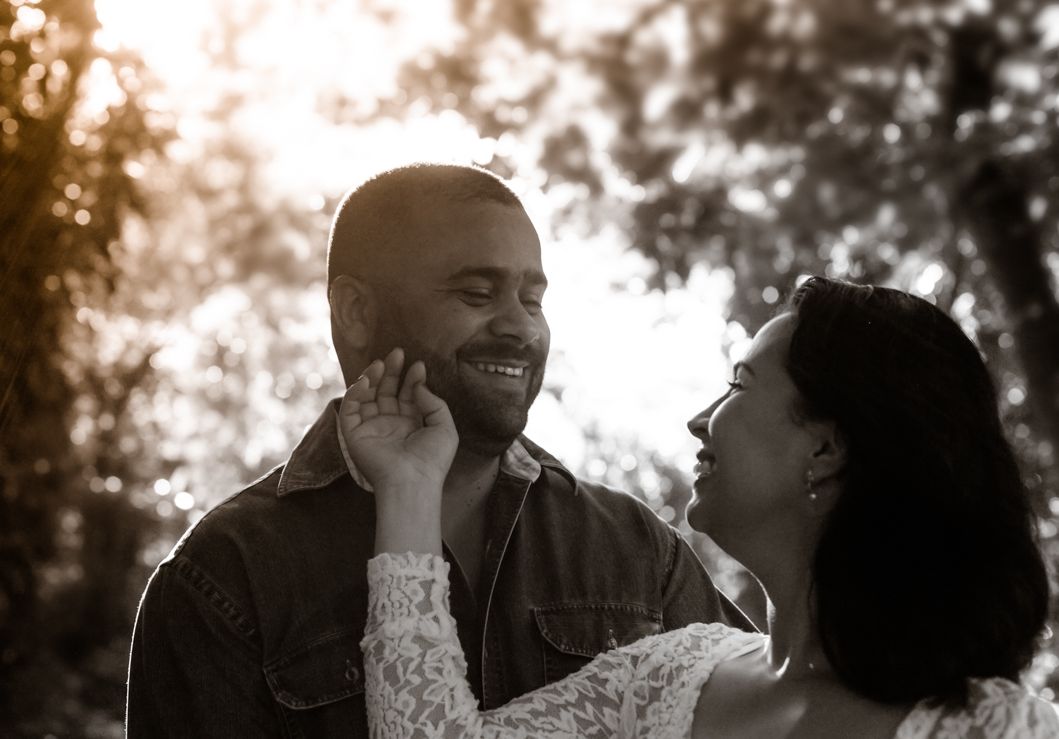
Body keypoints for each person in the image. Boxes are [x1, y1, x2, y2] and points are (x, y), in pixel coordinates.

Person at [124, 163, 752, 738]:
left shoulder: (635, 548)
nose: (521, 327)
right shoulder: (223, 579)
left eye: (532, 299)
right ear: (355, 312)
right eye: (476, 295)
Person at [344, 277, 1058, 738]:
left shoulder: (998, 729)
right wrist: (410, 488)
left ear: (827, 449)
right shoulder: (663, 683)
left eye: (739, 386)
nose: (700, 418)